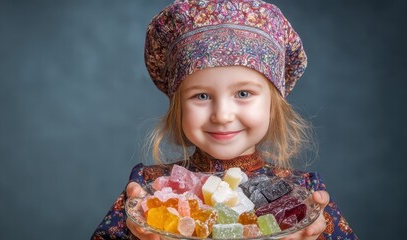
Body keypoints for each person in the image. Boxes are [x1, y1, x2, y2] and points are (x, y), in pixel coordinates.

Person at [91, 0, 357, 239]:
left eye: (243, 93)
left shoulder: (304, 195)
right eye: (202, 96)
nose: (222, 115)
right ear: (178, 106)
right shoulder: (149, 190)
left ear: (273, 106)